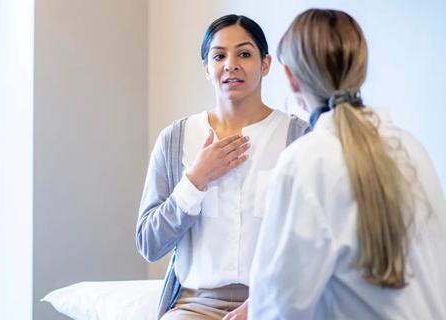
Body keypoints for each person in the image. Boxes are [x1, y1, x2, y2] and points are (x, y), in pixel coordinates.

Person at [248, 8, 446, 319]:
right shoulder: (412, 148)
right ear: (360, 70)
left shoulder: (305, 162)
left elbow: (275, 309)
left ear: (291, 79)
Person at [136, 14, 308, 320]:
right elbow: (149, 243)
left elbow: (314, 242)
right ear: (206, 68)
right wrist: (194, 180)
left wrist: (264, 302)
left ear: (265, 64)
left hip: (273, 302)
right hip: (194, 306)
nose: (231, 64)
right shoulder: (175, 140)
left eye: (244, 54)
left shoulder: (298, 137)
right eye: (219, 56)